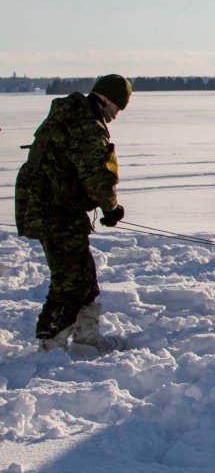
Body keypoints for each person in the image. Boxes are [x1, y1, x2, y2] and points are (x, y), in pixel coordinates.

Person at [14, 74, 133, 353]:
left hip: (53, 208)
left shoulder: (68, 115)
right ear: (105, 99)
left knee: (83, 275)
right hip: (54, 211)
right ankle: (51, 343)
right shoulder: (86, 126)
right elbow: (98, 176)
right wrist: (111, 208)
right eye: (117, 107)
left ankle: (87, 338)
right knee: (71, 279)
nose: (116, 115)